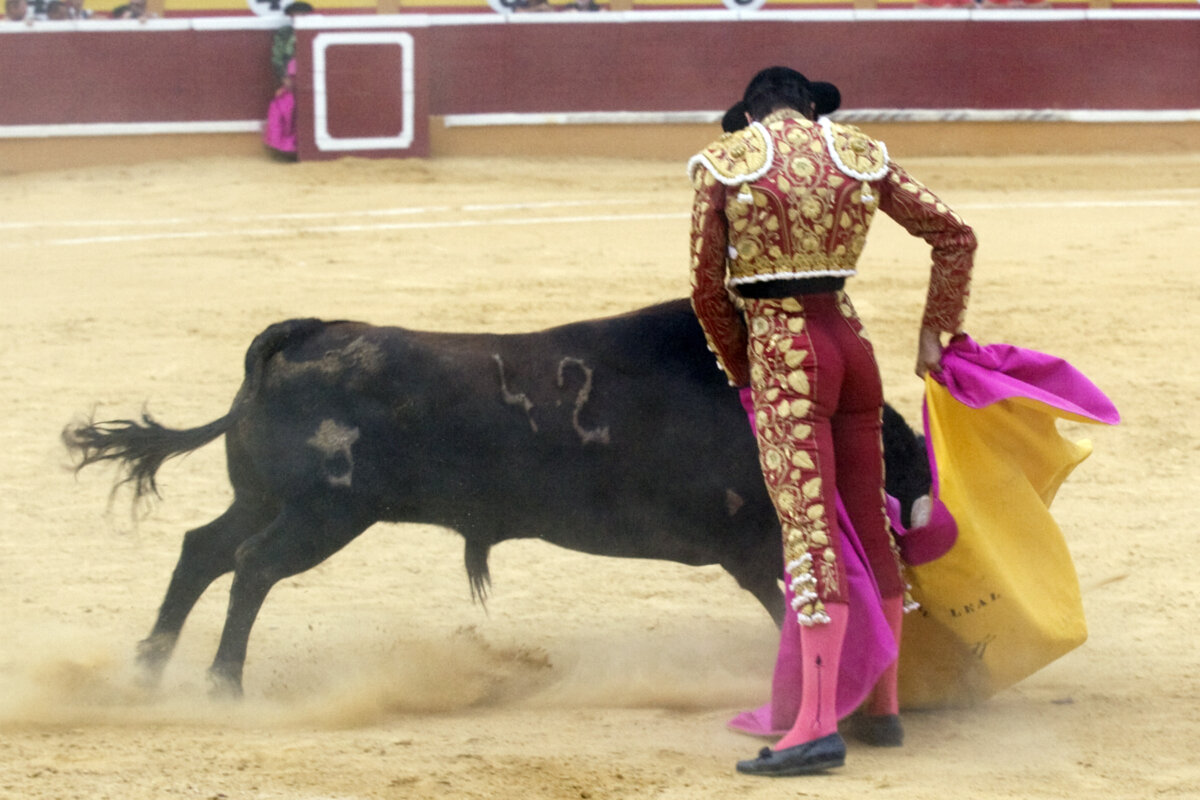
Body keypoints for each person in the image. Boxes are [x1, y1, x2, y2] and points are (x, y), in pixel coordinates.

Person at [688, 66, 976, 776]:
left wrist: (745, 367)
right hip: (853, 348)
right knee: (870, 527)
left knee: (810, 536)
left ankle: (815, 728)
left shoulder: (726, 162)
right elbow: (956, 237)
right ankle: (884, 709)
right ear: (811, 108)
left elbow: (705, 289)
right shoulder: (859, 153)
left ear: (750, 116)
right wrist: (935, 334)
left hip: (786, 350)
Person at [272, 1, 314, 83]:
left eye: (302, 15)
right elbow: (278, 57)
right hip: (290, 75)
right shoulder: (285, 33)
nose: (298, 17)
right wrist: (284, 77)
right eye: (295, 15)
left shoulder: (313, 30)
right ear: (291, 16)